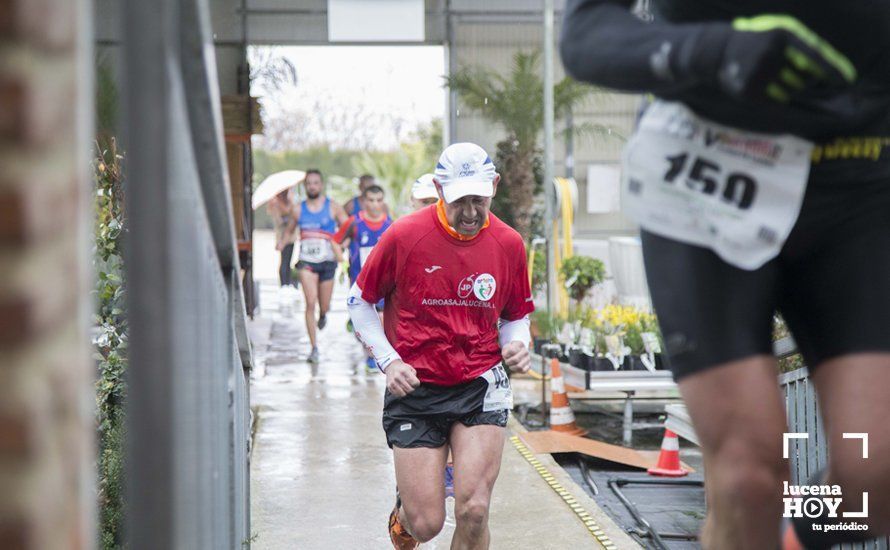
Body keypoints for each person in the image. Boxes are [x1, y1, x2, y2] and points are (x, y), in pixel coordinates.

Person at [561, 3, 890, 549]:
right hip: (705, 176)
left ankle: (789, 539)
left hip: (857, 176)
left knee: (872, 479)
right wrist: (714, 51)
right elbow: (585, 33)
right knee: (749, 476)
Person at [347, 142, 534, 549]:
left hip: (480, 385)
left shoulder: (508, 244)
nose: (470, 212)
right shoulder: (405, 236)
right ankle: (404, 515)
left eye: (479, 200)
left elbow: (516, 314)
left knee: (474, 510)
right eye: (460, 200)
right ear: (438, 187)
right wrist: (389, 361)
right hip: (416, 388)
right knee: (426, 523)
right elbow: (359, 301)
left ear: (495, 187)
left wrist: (519, 343)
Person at [284, 169, 348, 363]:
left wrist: (342, 245)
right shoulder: (297, 209)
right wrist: (282, 243)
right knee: (310, 302)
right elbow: (289, 231)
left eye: (315, 183)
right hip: (306, 262)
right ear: (305, 187)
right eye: (309, 183)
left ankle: (323, 315)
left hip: (327, 262)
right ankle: (314, 348)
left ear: (321, 185)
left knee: (324, 305)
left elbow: (349, 228)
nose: (312, 186)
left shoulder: (333, 207)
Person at [333, 184, 393, 373]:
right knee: (365, 321)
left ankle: (371, 356)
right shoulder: (354, 223)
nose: (375, 205)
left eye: (378, 200)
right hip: (360, 282)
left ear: (383, 202)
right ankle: (368, 351)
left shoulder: (390, 224)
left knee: (381, 319)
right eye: (371, 200)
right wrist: (342, 260)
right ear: (364, 202)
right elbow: (336, 241)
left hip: (383, 283)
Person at [268, 187, 298, 288]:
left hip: (291, 237)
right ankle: (284, 284)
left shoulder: (289, 202)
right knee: (284, 261)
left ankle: (288, 283)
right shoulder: (275, 204)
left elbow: (294, 214)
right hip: (282, 237)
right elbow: (279, 221)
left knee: (288, 261)